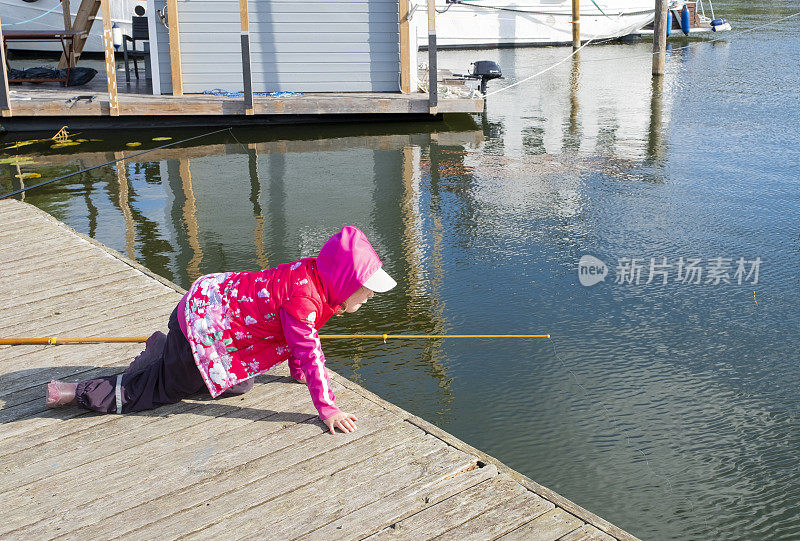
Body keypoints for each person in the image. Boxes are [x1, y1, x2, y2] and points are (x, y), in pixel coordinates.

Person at [46, 226, 396, 435]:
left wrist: (298, 373)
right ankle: (79, 392)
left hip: (210, 310)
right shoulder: (305, 299)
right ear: (344, 282)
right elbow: (309, 349)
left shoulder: (315, 278)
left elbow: (296, 341)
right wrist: (328, 408)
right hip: (201, 324)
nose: (367, 298)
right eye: (364, 291)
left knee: (239, 384)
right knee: (163, 391)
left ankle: (164, 349)